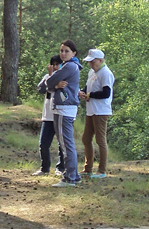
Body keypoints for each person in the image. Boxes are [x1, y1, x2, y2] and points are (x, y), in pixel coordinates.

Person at [45, 40, 82, 187]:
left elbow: (50, 81)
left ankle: (70, 178)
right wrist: (56, 83)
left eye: (67, 51)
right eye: (61, 51)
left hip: (64, 109)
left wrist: (54, 82)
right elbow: (53, 83)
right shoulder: (71, 66)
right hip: (66, 108)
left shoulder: (70, 66)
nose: (63, 54)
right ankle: (75, 175)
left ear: (74, 53)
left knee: (66, 145)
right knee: (67, 143)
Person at [79, 49, 115, 178]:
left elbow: (106, 93)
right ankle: (88, 168)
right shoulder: (92, 72)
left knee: (100, 140)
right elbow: (88, 87)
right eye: (89, 62)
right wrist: (83, 92)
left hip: (101, 111)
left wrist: (90, 95)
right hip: (91, 109)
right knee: (86, 138)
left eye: (93, 62)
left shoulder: (106, 73)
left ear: (100, 60)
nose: (91, 65)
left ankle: (102, 170)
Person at [34, 55, 65, 176]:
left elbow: (62, 91)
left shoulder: (65, 78)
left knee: (62, 143)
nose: (56, 67)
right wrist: (51, 77)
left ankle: (61, 168)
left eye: (58, 64)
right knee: (43, 143)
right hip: (47, 116)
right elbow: (41, 89)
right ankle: (44, 168)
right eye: (54, 64)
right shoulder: (47, 77)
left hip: (60, 115)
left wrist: (55, 84)